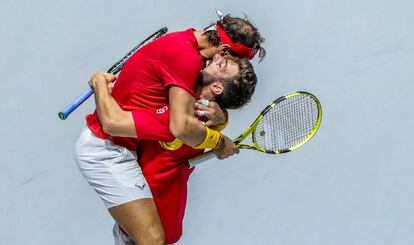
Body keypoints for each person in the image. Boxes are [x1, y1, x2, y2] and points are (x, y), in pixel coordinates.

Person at [76, 13, 265, 245]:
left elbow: (189, 119)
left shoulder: (184, 44)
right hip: (106, 149)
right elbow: (179, 127)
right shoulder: (187, 64)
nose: (237, 65)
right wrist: (219, 141)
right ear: (223, 51)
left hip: (126, 149)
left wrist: (220, 119)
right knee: (152, 240)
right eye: (232, 60)